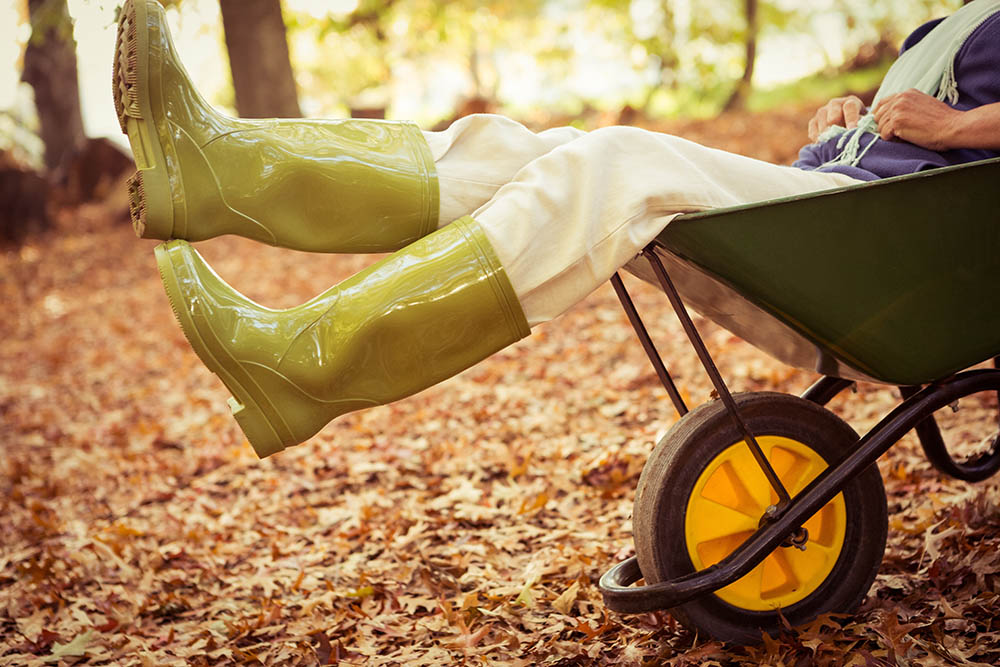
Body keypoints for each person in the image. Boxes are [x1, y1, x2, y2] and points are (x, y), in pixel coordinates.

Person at [113, 0, 1000, 458]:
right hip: (840, 213)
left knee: (613, 163)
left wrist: (958, 129)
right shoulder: (946, 19)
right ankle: (221, 172)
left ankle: (309, 360)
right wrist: (855, 112)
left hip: (880, 252)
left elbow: (955, 133)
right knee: (528, 152)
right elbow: (918, 123)